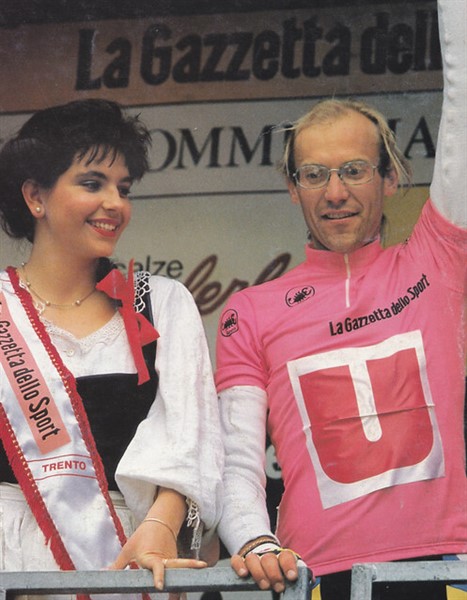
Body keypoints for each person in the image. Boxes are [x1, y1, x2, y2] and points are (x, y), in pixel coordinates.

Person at [215, 0, 466, 597]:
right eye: (314, 174)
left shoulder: (437, 261)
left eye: (354, 170)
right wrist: (253, 539)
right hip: (315, 574)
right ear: (292, 188)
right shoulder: (250, 312)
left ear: (390, 177)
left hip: (444, 564)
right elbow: (235, 459)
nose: (334, 192)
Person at [0, 99, 223, 595]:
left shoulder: (161, 302)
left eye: (123, 189)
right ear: (35, 196)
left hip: (135, 562)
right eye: (92, 183)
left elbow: (192, 441)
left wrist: (161, 526)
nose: (115, 204)